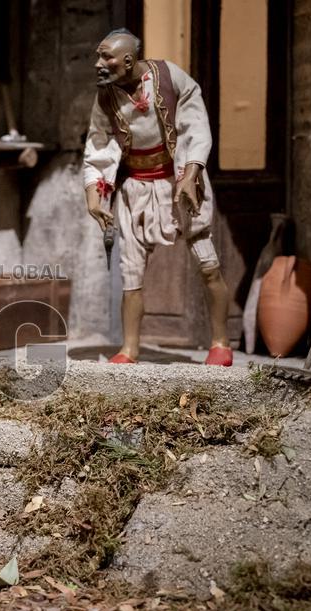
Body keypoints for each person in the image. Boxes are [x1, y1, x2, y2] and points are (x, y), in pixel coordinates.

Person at [83, 28, 233, 366]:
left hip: (178, 180)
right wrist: (94, 195)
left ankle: (221, 343)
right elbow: (97, 143)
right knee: (131, 271)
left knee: (208, 263)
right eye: (97, 56)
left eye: (105, 56)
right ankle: (129, 349)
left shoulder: (168, 76)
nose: (98, 64)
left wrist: (192, 172)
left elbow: (195, 124)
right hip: (135, 188)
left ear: (128, 60)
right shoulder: (105, 97)